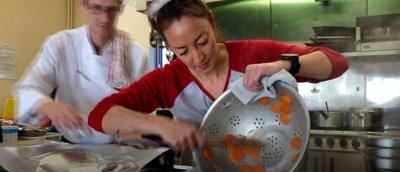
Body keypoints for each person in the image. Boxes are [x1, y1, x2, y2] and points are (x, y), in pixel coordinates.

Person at [88, 0, 348, 152]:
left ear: (211, 23)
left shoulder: (254, 53)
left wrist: (282, 65)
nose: (197, 57)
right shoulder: (168, 80)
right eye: (182, 51)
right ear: (168, 45)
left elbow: (337, 63)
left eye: (202, 41)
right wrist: (160, 126)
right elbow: (99, 114)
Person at [13, 0, 148, 144]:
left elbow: (145, 105)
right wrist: (47, 106)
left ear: (120, 8)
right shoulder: (61, 44)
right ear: (83, 4)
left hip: (117, 146)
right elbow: (29, 88)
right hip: (68, 146)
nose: (104, 18)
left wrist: (136, 129)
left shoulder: (135, 53)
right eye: (96, 8)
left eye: (111, 10)